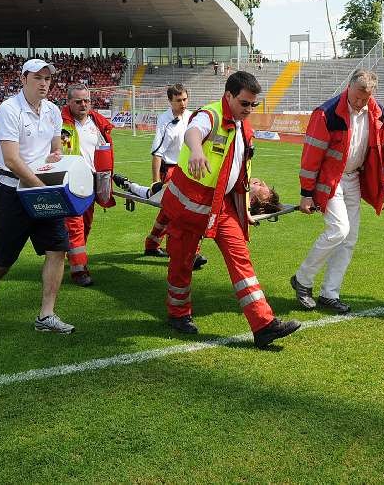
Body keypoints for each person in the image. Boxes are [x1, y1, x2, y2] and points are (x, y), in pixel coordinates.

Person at [159, 71, 300, 348]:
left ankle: (263, 325)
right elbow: (193, 131)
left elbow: (242, 176)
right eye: (244, 103)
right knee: (181, 261)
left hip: (220, 207)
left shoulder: (245, 129)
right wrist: (197, 150)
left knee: (241, 260)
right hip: (188, 205)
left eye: (253, 105)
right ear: (228, 96)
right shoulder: (209, 115)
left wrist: (244, 210)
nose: (249, 110)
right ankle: (178, 314)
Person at [0, 58, 74, 334]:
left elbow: (56, 146)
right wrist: (40, 186)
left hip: (41, 188)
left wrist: (57, 156)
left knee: (57, 249)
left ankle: (46, 315)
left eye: (47, 79)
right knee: (4, 258)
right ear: (23, 79)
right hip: (11, 191)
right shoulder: (10, 109)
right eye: (38, 78)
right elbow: (11, 159)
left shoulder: (53, 111)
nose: (44, 83)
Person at [291, 69, 384, 314]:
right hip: (331, 180)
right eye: (357, 96)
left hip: (354, 179)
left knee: (349, 240)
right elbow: (311, 155)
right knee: (338, 230)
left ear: (372, 94)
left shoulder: (378, 114)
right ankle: (303, 280)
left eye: (365, 98)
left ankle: (330, 293)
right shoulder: (326, 113)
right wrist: (307, 193)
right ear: (348, 87)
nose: (360, 102)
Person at [146, 84, 207, 269]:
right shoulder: (165, 121)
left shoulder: (192, 117)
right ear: (170, 101)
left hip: (189, 170)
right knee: (182, 214)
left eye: (185, 99)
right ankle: (189, 254)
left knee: (168, 213)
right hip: (171, 171)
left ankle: (151, 244)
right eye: (178, 100)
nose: (183, 103)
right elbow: (157, 153)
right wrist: (156, 181)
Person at [60, 83, 115, 287]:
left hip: (93, 181)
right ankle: (79, 270)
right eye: (78, 101)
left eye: (86, 101)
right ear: (68, 102)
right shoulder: (61, 123)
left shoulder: (97, 123)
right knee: (75, 225)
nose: (83, 105)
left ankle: (73, 256)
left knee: (86, 224)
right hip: (70, 181)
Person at [114, 172, 281, 216]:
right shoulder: (243, 190)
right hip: (190, 187)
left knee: (154, 193)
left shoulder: (243, 203)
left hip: (190, 191)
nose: (259, 182)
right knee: (155, 192)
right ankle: (131, 186)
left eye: (261, 187)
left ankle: (130, 185)